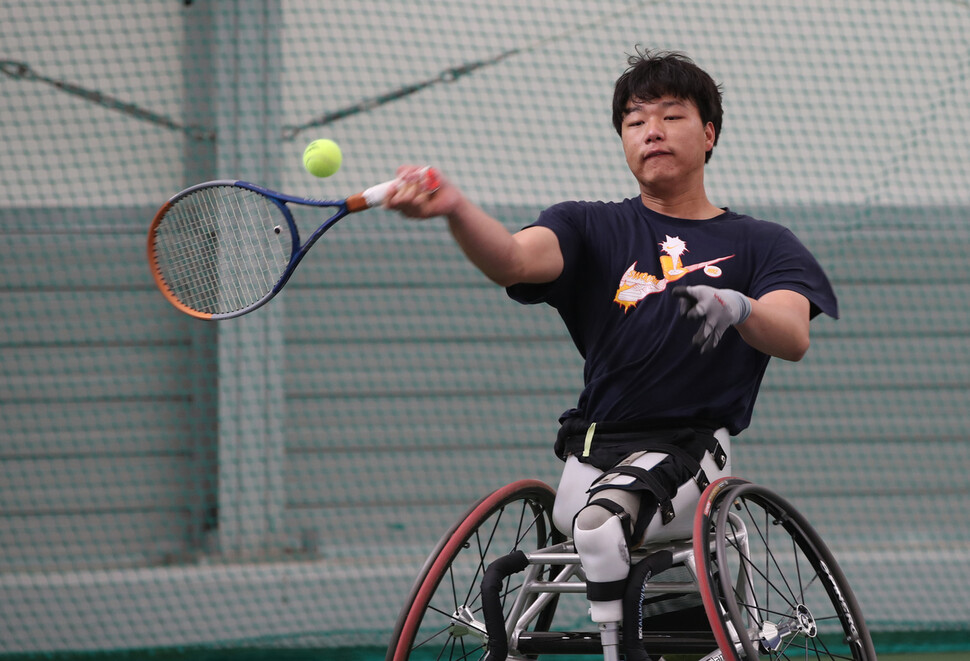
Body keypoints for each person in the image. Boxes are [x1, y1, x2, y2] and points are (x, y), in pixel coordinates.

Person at [385, 47, 837, 652]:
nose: (651, 130)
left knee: (601, 526)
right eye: (634, 120)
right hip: (589, 458)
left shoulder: (762, 243)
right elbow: (515, 259)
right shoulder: (587, 227)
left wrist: (741, 307)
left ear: (708, 134)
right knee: (589, 531)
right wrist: (456, 209)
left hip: (690, 454)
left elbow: (793, 334)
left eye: (670, 115)